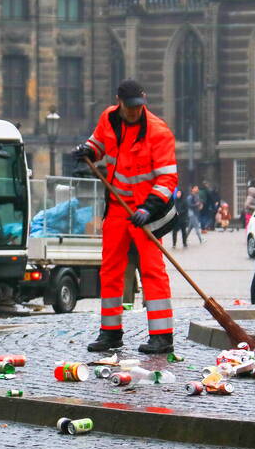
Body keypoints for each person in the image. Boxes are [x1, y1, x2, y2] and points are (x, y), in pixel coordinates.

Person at [72, 78, 178, 354]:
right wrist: (88, 152)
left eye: (139, 106)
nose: (134, 112)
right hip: (118, 206)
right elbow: (98, 145)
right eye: (130, 107)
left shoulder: (158, 132)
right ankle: (110, 332)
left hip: (146, 210)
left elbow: (167, 178)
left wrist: (148, 208)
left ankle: (162, 336)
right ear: (119, 102)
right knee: (110, 269)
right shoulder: (108, 118)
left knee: (153, 271)